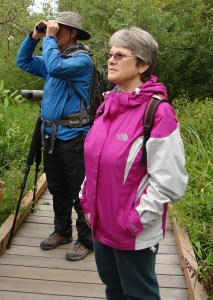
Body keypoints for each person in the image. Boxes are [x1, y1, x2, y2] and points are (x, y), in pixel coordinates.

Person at [80, 26, 188, 299]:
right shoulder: (107, 107)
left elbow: (171, 182)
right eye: (110, 54)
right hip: (101, 225)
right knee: (113, 290)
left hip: (133, 232)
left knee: (140, 294)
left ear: (143, 64)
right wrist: (86, 201)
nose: (111, 60)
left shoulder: (158, 113)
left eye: (120, 55)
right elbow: (95, 162)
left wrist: (133, 220)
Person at [16, 11, 94, 261]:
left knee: (78, 191)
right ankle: (62, 232)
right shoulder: (55, 59)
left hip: (74, 138)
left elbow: (54, 67)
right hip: (50, 135)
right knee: (58, 188)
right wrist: (34, 36)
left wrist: (47, 39)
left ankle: (86, 240)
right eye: (53, 28)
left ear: (72, 33)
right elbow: (24, 62)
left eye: (59, 29)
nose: (54, 32)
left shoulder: (81, 61)